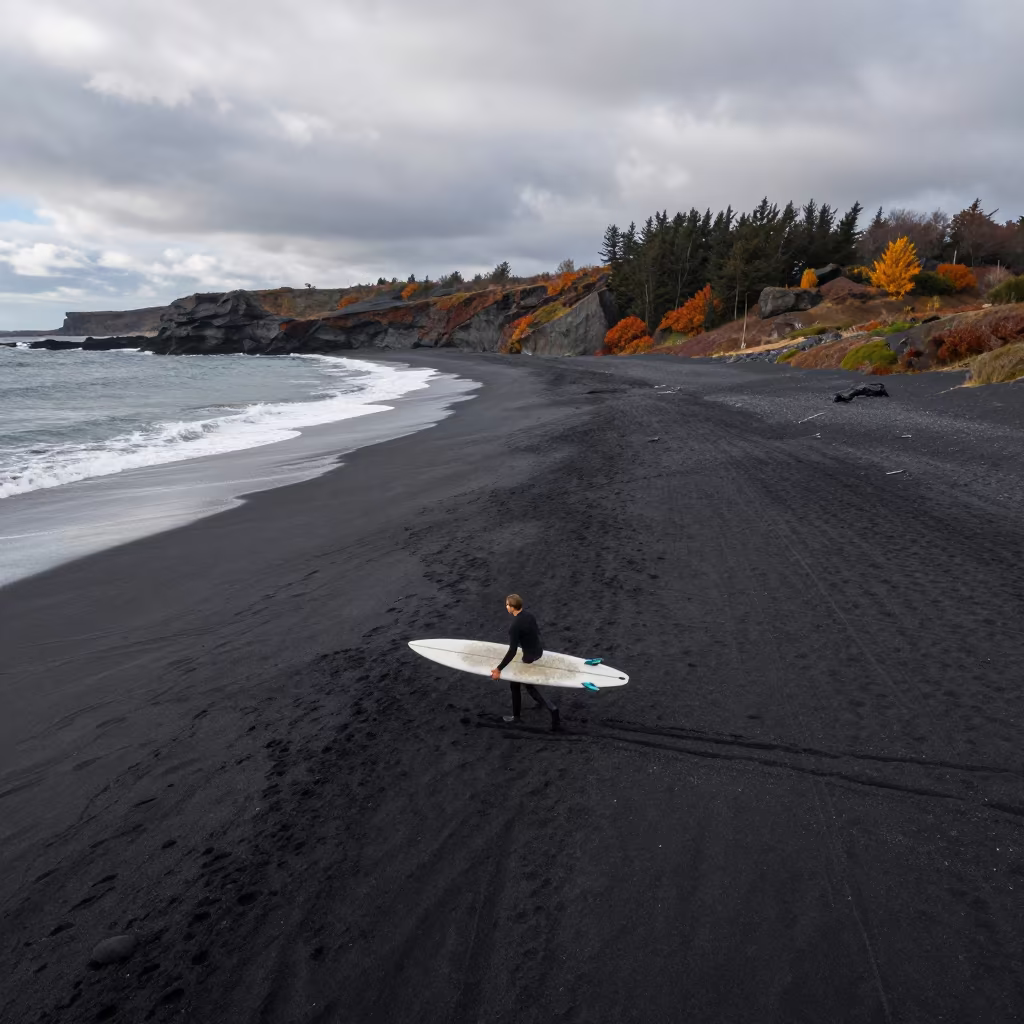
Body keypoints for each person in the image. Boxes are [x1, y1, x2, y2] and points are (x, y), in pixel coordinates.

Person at [490, 594, 560, 730]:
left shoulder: (514, 626)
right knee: (528, 684)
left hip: (528, 657)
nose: (506, 607)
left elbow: (512, 651)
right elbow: (536, 633)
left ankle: (547, 710)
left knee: (516, 685)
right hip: (538, 652)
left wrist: (499, 669)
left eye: (507, 605)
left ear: (512, 607)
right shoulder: (530, 615)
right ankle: (542, 704)